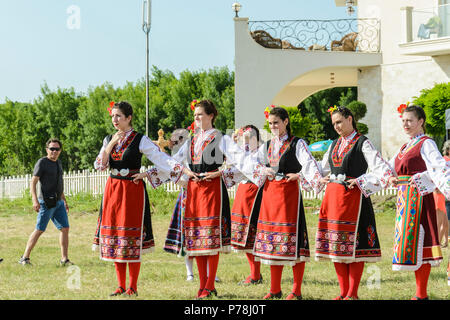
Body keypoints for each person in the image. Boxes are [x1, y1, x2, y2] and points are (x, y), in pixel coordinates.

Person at [93, 101, 193, 297]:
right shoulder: (108, 139)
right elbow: (100, 165)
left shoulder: (140, 139)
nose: (115, 120)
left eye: (118, 116)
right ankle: (120, 285)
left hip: (132, 190)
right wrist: (112, 143)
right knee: (116, 236)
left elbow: (160, 158)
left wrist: (179, 171)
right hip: (113, 189)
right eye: (113, 116)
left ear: (129, 118)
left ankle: (133, 286)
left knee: (131, 236)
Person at [143, 99, 240, 299]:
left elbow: (241, 160)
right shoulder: (192, 140)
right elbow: (173, 162)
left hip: (213, 189)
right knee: (197, 238)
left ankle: (210, 285)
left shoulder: (221, 138)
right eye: (195, 115)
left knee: (211, 238)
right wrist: (148, 173)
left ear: (211, 116)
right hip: (194, 190)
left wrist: (221, 173)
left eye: (200, 115)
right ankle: (203, 284)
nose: (196, 118)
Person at [238, 106, 323, 300]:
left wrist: (300, 175)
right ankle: (274, 289)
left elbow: (310, 164)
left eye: (276, 122)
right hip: (270, 197)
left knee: (293, 243)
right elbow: (252, 163)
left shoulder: (297, 143)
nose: (273, 126)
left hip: (288, 197)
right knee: (271, 243)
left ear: (286, 122)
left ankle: (296, 290)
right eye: (270, 123)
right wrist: (262, 170)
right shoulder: (267, 145)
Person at [315, 106, 394, 300]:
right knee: (336, 246)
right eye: (334, 124)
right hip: (333, 200)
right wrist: (318, 177)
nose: (337, 127)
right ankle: (342, 292)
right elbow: (322, 168)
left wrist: (361, 181)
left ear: (350, 119)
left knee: (356, 248)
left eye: (339, 122)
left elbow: (380, 168)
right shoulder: (334, 144)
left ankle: (353, 293)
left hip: (354, 200)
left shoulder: (362, 143)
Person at [388, 104, 450, 300]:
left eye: (410, 121)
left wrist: (426, 179)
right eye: (403, 121)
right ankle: (419, 293)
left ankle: (421, 294)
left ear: (420, 122)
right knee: (411, 245)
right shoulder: (405, 146)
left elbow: (439, 167)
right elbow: (389, 166)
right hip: (404, 200)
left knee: (421, 244)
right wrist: (388, 176)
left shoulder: (426, 143)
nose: (405, 124)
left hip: (420, 200)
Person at [19, 138, 72, 267]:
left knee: (65, 228)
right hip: (46, 202)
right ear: (47, 149)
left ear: (60, 151)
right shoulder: (42, 162)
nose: (54, 151)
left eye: (57, 149)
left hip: (58, 202)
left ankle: (64, 259)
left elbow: (59, 184)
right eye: (52, 149)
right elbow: (33, 182)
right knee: (39, 229)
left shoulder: (59, 163)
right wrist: (34, 200)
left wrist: (64, 200)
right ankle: (25, 257)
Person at [222, 125, 264, 286]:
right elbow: (233, 168)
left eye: (248, 138)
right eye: (243, 138)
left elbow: (248, 167)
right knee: (241, 233)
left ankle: (255, 274)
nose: (245, 141)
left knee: (252, 233)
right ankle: (254, 273)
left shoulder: (261, 151)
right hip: (243, 190)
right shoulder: (243, 152)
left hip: (255, 191)